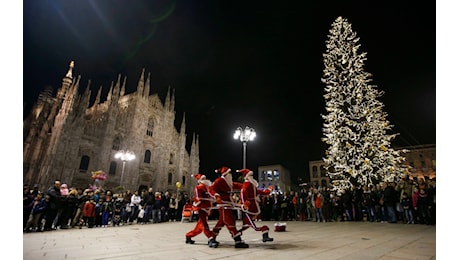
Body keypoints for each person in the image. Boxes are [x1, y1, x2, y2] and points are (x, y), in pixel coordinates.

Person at [209, 166, 248, 248]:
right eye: (229, 173)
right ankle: (237, 239)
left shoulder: (229, 182)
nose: (231, 174)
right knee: (229, 221)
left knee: (221, 222)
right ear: (225, 174)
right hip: (223, 204)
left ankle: (212, 237)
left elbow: (237, 185)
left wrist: (248, 185)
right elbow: (211, 189)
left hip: (228, 204)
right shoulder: (219, 181)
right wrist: (216, 196)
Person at [236, 168, 274, 242]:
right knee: (253, 226)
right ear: (246, 176)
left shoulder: (251, 185)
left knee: (247, 224)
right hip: (249, 208)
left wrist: (268, 191)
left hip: (252, 207)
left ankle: (237, 234)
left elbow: (259, 191)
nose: (252, 177)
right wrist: (245, 204)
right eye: (250, 175)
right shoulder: (246, 186)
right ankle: (264, 233)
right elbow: (243, 195)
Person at [185, 173, 219, 248]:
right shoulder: (198, 187)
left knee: (200, 226)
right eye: (203, 179)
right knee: (204, 225)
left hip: (207, 208)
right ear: (200, 180)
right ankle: (210, 238)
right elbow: (198, 198)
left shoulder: (208, 187)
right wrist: (198, 204)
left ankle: (188, 236)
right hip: (202, 208)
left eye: (205, 178)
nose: (205, 180)